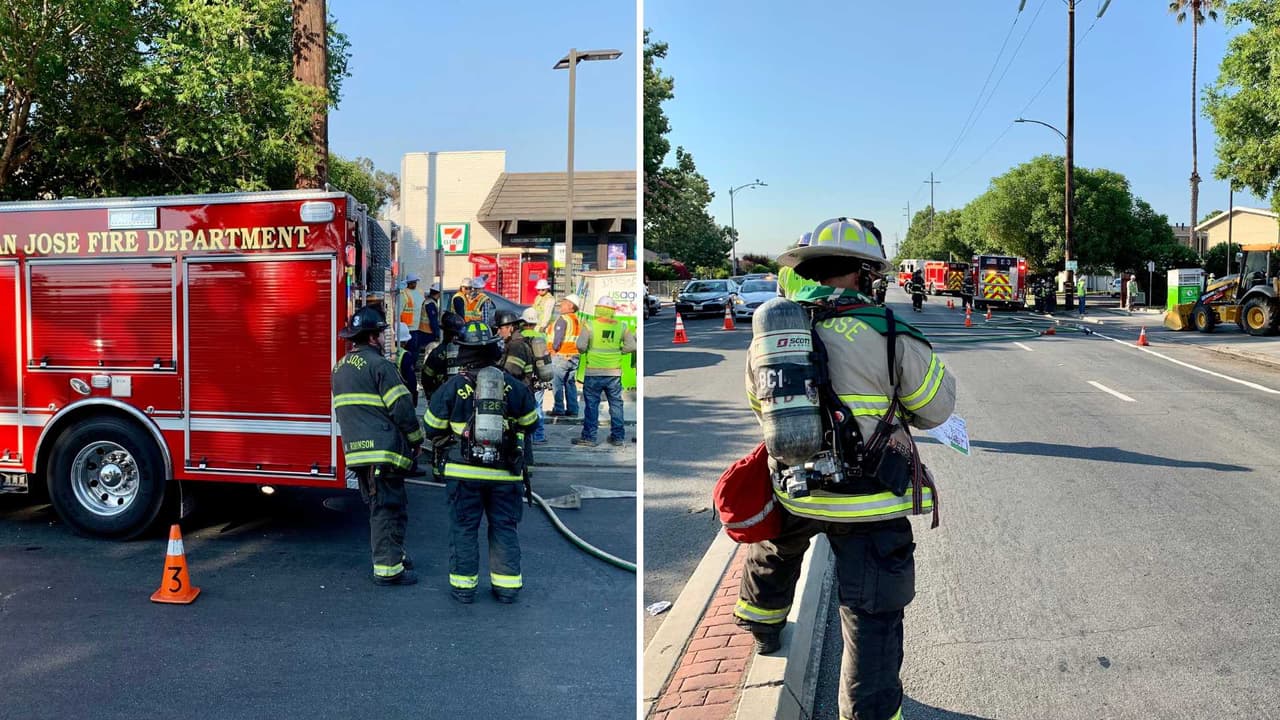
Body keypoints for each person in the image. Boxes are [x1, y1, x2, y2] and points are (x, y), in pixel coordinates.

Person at [737, 217, 956, 720]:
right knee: (871, 613)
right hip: (870, 499)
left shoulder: (776, 331)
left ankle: (762, 626)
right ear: (862, 272)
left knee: (776, 547)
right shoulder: (891, 331)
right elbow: (936, 409)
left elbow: (758, 402)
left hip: (796, 483)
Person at [423, 321, 539, 604]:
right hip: (506, 474)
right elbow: (531, 424)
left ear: (464, 352)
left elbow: (432, 426)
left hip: (463, 473)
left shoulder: (453, 387)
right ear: (493, 350)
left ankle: (464, 589)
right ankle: (507, 588)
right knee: (503, 527)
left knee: (464, 529)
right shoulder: (511, 384)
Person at [331, 306, 424, 586]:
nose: (383, 339)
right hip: (383, 451)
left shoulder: (340, 366)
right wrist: (416, 440)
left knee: (387, 506)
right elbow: (401, 406)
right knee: (386, 509)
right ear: (372, 337)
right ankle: (388, 569)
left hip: (359, 452)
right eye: (381, 334)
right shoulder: (380, 365)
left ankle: (395, 554)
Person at [571, 296, 635, 447]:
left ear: (598, 308)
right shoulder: (622, 326)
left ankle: (589, 438)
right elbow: (632, 346)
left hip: (593, 372)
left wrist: (588, 350)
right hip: (614, 373)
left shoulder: (590, 325)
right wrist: (619, 350)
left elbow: (580, 346)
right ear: (613, 310)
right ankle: (618, 437)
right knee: (616, 405)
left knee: (592, 405)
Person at [548, 294, 582, 418]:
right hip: (574, 356)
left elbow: (558, 337)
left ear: (570, 305)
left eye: (564, 303)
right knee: (570, 383)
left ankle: (559, 408)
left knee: (557, 383)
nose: (561, 305)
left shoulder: (563, 319)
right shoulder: (577, 320)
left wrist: (553, 350)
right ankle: (573, 409)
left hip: (561, 355)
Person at [421, 311, 465, 398]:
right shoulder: (466, 351)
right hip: (461, 397)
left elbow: (426, 378)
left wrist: (431, 396)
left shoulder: (436, 353)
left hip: (441, 397)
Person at [415, 282, 442, 355]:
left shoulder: (429, 301)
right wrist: (437, 334)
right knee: (429, 352)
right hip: (428, 332)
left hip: (423, 331)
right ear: (439, 293)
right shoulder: (431, 303)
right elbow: (433, 321)